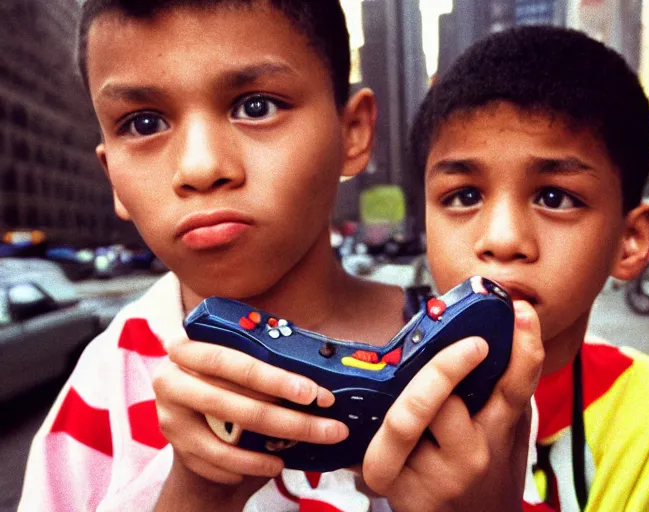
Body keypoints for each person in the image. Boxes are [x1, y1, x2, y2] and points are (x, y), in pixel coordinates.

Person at [18, 1, 543, 511]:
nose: (200, 167)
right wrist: (194, 497)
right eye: (144, 123)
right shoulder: (104, 386)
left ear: (352, 132)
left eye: (255, 106)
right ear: (111, 175)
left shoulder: (468, 365)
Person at [409, 26, 649, 511]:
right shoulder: (371, 392)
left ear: (630, 239)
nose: (502, 239)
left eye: (555, 197)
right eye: (464, 196)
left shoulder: (648, 408)